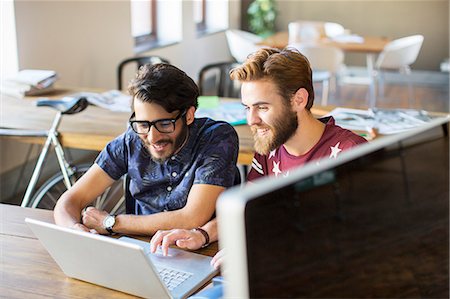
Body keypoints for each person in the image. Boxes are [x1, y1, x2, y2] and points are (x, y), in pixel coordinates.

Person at [150, 47, 367, 268]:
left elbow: (354, 243)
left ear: (299, 100)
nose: (251, 120)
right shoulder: (269, 146)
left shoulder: (350, 153)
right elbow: (252, 212)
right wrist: (202, 234)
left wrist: (261, 250)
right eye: (247, 108)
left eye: (262, 107)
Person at [54, 63, 240, 236]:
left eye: (164, 124)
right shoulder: (130, 140)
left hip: (202, 250)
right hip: (141, 248)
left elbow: (192, 218)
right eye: (143, 124)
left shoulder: (217, 138)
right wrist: (75, 231)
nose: (152, 137)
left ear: (189, 115)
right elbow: (69, 201)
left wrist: (111, 223)